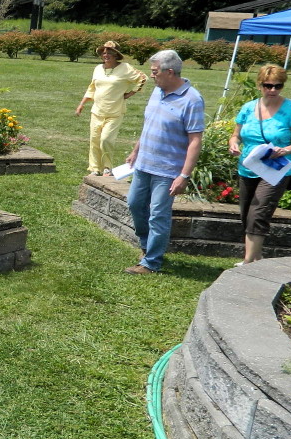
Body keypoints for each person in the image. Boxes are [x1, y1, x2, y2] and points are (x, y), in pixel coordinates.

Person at [123, 49, 205, 274]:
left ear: (170, 72)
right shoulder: (157, 91)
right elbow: (150, 124)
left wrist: (184, 175)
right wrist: (136, 151)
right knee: (134, 204)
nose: (152, 76)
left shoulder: (192, 99)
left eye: (155, 72)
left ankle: (152, 262)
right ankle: (146, 246)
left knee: (158, 214)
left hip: (167, 170)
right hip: (144, 164)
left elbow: (195, 140)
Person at [227, 64, 291, 265]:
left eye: (277, 86)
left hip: (276, 169)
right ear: (260, 85)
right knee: (246, 213)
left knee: (259, 212)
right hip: (248, 166)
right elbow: (236, 134)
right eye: (268, 85)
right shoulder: (248, 108)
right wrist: (233, 143)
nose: (272, 90)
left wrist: (286, 150)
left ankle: (247, 262)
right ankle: (256, 258)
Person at [76, 40, 147, 176]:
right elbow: (92, 87)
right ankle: (95, 169)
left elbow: (143, 78)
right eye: (103, 52)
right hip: (97, 111)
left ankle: (107, 167)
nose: (105, 55)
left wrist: (131, 92)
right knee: (95, 141)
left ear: (116, 55)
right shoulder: (98, 69)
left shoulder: (125, 68)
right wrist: (82, 104)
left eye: (109, 52)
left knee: (106, 139)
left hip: (115, 112)